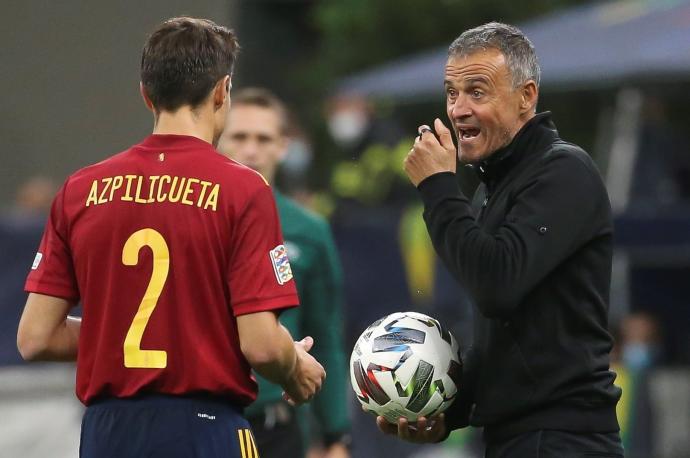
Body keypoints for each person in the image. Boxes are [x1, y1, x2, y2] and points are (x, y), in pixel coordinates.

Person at [17, 17, 325, 458]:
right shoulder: (243, 189)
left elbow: (35, 337)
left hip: (108, 433)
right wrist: (294, 367)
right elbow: (259, 344)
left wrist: (135, 333)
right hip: (204, 428)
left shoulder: (79, 190)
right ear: (223, 91)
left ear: (146, 94)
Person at [376, 22, 624, 457]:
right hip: (512, 438)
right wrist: (444, 416)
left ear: (526, 97)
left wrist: (438, 188)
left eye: (477, 91)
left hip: (564, 439)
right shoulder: (492, 188)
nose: (458, 109)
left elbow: (497, 286)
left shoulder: (564, 172)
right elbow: (503, 339)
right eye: (451, 93)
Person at [217, 87, 351, 458]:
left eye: (263, 138)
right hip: (208, 416)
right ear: (218, 140)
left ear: (283, 146)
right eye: (239, 137)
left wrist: (336, 434)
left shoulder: (308, 230)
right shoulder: (197, 220)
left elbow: (325, 335)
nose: (251, 150)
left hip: (279, 425)